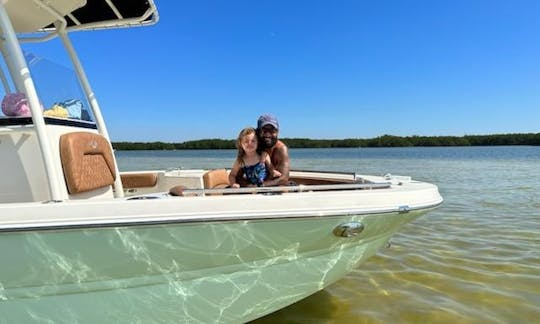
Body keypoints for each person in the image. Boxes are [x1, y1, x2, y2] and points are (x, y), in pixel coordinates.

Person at [256, 114, 290, 186]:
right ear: (258, 131)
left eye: (272, 131)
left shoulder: (281, 149)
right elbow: (237, 175)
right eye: (264, 130)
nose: (268, 134)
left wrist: (260, 186)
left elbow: (283, 178)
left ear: (277, 132)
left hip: (272, 187)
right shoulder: (251, 147)